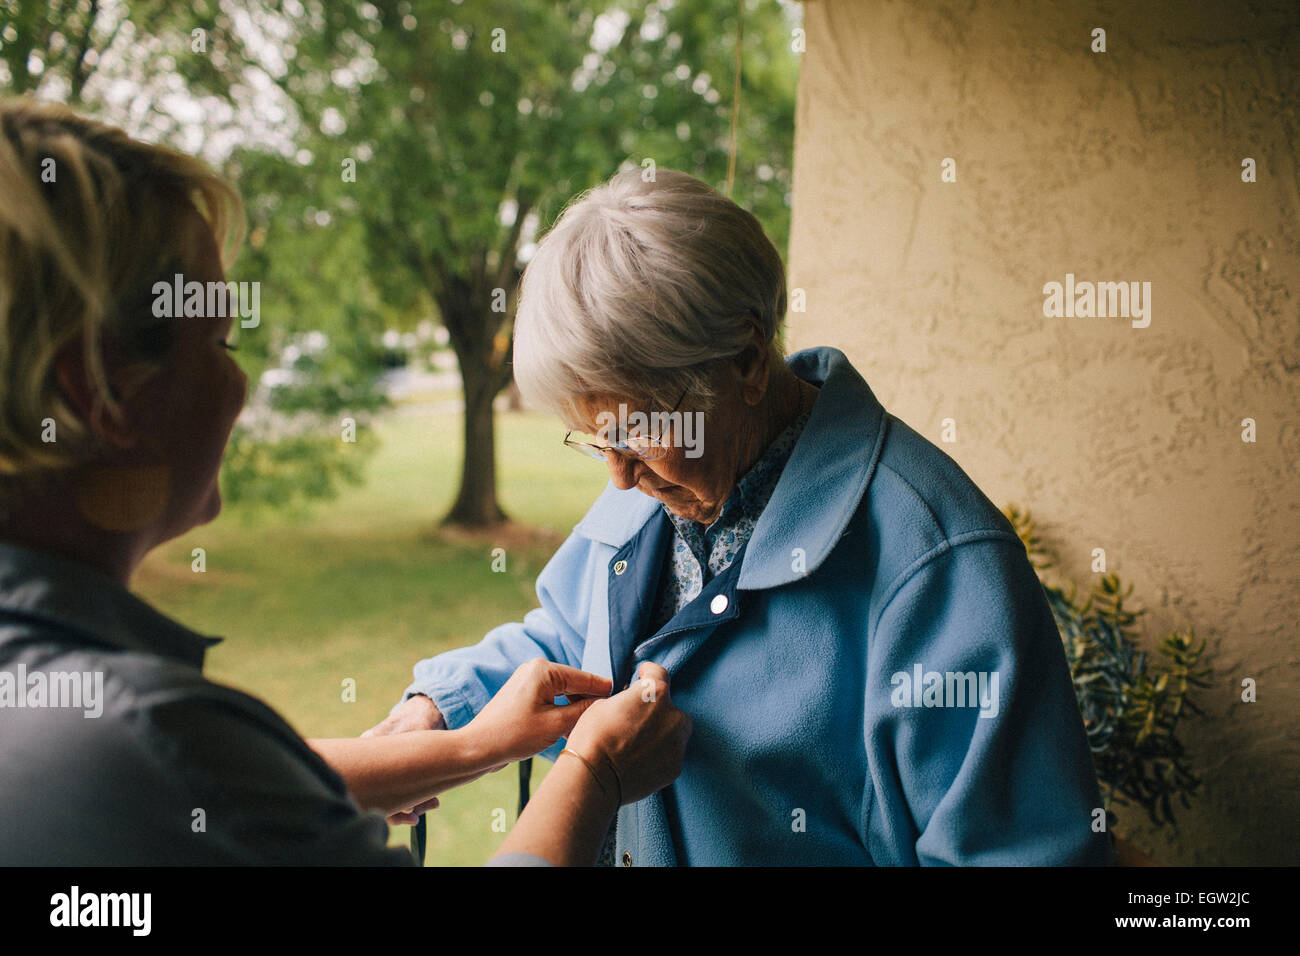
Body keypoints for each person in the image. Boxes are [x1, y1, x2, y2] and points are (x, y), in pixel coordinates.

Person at [0, 99, 690, 866]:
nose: (241, 387)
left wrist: (466, 743)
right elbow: (194, 781)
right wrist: (591, 775)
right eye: (221, 343)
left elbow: (217, 795)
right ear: (104, 394)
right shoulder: (153, 742)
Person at [370, 168, 1116, 866]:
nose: (618, 477)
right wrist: (444, 706)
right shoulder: (670, 474)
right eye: (596, 439)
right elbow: (570, 639)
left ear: (749, 360)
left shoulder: (941, 565)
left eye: (635, 433)